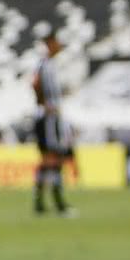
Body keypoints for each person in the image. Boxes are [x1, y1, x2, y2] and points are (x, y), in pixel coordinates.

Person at [32, 30, 73, 215]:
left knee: (53, 159)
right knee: (52, 159)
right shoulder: (45, 65)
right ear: (50, 43)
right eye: (55, 42)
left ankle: (43, 203)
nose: (58, 46)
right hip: (48, 118)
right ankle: (54, 203)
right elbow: (34, 83)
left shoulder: (52, 65)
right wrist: (44, 103)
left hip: (52, 117)